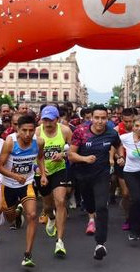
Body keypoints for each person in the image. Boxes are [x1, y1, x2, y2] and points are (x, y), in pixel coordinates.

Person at [69, 105, 121, 260]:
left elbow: (119, 146)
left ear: (107, 118)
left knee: (101, 207)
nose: (100, 121)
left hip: (102, 175)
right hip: (83, 176)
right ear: (91, 118)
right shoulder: (81, 132)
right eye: (97, 118)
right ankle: (90, 212)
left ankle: (100, 243)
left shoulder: (112, 133)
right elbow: (71, 154)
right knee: (90, 205)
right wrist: (85, 159)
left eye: (103, 118)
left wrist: (120, 156)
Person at [0, 114, 47, 267]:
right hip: (8, 185)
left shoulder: (38, 142)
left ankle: (27, 254)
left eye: (31, 130)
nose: (27, 134)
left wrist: (43, 174)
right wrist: (14, 175)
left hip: (27, 183)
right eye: (24, 130)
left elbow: (40, 158)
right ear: (17, 129)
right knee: (9, 216)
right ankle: (16, 216)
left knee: (32, 215)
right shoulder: (10, 143)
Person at [34, 105, 73, 257]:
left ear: (57, 119)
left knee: (61, 201)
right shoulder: (37, 132)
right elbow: (33, 155)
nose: (48, 123)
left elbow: (73, 149)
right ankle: (50, 217)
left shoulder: (65, 131)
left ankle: (60, 241)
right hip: (42, 171)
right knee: (48, 205)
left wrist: (63, 154)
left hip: (59, 170)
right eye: (45, 120)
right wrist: (41, 172)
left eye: (51, 120)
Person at [114, 108, 134, 228]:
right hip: (122, 163)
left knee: (136, 194)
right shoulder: (116, 131)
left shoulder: (139, 129)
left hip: (137, 164)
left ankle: (137, 216)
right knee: (126, 193)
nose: (128, 124)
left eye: (131, 121)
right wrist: (118, 157)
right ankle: (128, 218)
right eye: (126, 121)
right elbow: (113, 148)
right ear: (122, 119)